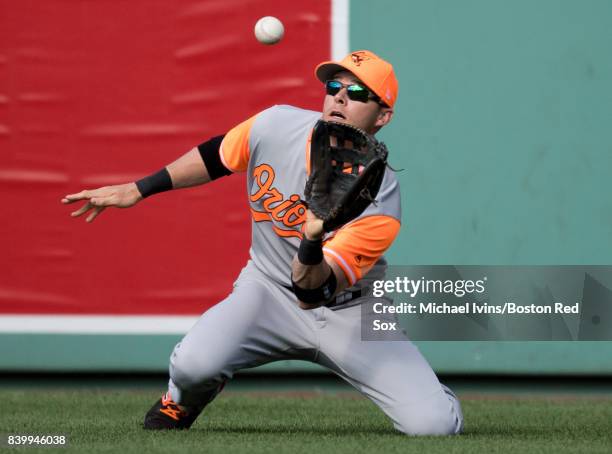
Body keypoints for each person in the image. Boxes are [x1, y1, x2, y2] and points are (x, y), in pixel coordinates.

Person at [62, 50, 463, 436]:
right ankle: (182, 399)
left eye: (358, 93)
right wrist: (140, 188)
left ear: (383, 116)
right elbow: (216, 156)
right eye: (334, 87)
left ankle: (433, 397)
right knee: (191, 367)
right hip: (266, 291)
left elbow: (313, 292)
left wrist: (311, 237)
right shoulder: (276, 127)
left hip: (348, 311)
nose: (339, 97)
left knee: (432, 425)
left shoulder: (380, 199)